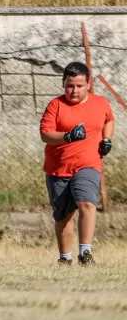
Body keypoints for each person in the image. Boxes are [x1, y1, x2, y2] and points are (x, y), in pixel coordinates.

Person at [39, 61, 115, 266]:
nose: (74, 91)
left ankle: (85, 254)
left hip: (89, 164)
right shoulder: (56, 105)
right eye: (69, 86)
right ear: (63, 84)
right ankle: (65, 258)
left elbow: (109, 120)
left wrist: (107, 139)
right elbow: (45, 134)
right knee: (63, 216)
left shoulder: (100, 103)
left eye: (79, 86)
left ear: (88, 84)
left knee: (87, 203)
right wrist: (68, 136)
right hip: (59, 168)